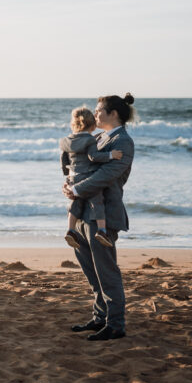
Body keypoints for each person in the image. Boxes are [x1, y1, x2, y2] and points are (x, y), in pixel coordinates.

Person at [63, 93, 137, 341]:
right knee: (91, 272)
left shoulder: (123, 142)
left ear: (113, 113)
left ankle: (115, 324)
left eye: (98, 110)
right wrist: (69, 183)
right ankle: (100, 318)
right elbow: (79, 166)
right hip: (84, 212)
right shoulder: (99, 138)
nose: (95, 115)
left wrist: (76, 189)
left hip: (104, 214)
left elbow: (106, 175)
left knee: (106, 272)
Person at [61, 106, 122, 249]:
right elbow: (93, 157)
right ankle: (102, 231)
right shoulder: (89, 139)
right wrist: (110, 155)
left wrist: (67, 175)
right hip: (87, 176)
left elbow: (64, 159)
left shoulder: (67, 140)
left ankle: (70, 230)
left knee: (76, 204)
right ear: (92, 125)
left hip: (73, 177)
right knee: (97, 201)